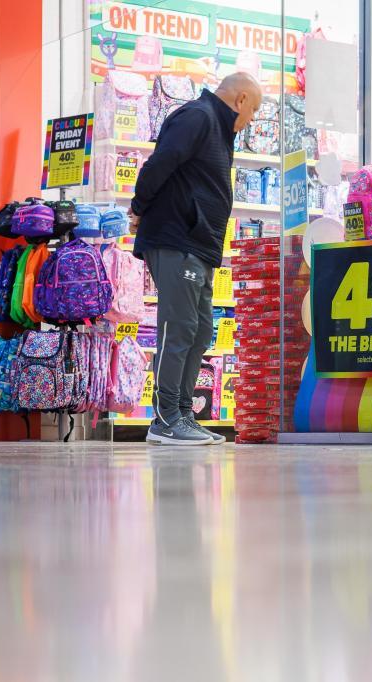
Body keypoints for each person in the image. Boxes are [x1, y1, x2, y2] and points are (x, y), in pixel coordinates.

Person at [129, 73, 262, 446]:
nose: (252, 119)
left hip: (198, 245)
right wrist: (139, 207)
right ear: (240, 99)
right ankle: (165, 419)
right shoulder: (199, 116)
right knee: (179, 327)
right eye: (253, 110)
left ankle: (183, 414)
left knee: (201, 330)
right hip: (177, 239)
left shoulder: (217, 127)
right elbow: (159, 164)